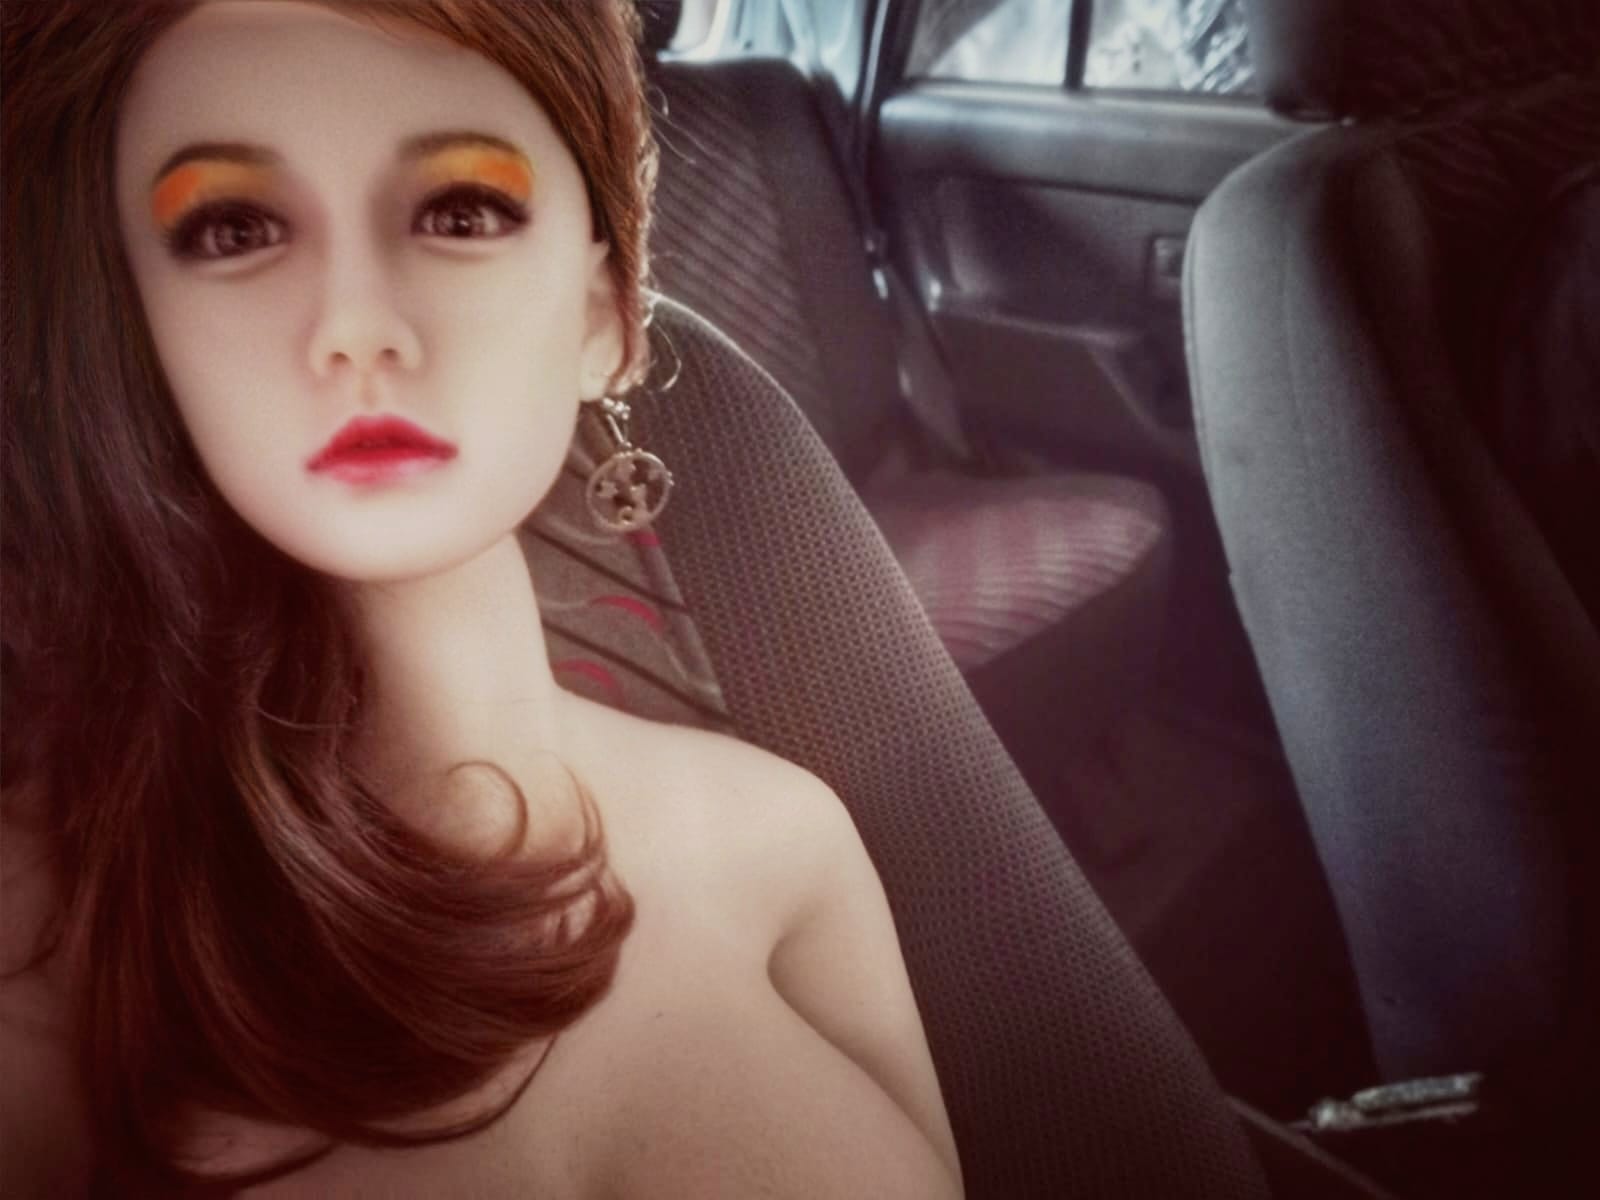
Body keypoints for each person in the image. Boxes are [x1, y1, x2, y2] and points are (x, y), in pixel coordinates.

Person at [0, 2, 964, 1194]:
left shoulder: (784, 835)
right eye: (233, 229)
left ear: (607, 317)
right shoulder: (46, 949)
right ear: (137, 336)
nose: (358, 329)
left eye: (462, 213)